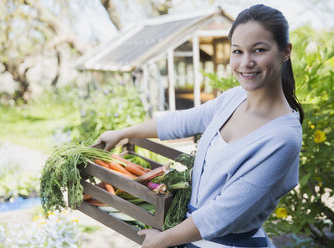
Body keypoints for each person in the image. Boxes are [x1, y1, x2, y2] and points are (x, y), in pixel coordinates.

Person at [94, 4, 304, 248]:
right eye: (237, 51)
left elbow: (224, 213)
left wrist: (162, 240)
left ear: (285, 51)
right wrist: (122, 134)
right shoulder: (233, 98)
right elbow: (181, 121)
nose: (246, 62)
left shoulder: (282, 137)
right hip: (190, 236)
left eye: (259, 50)